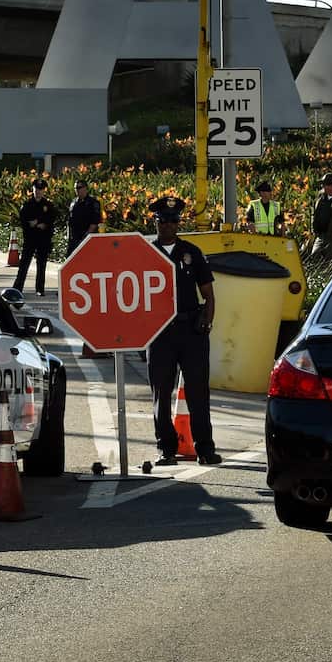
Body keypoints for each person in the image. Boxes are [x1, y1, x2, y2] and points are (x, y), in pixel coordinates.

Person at [146, 196, 221, 466]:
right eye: (163, 221)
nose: (167, 226)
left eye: (173, 221)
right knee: (161, 392)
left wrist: (207, 322)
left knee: (198, 392)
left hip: (191, 330)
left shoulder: (192, 252)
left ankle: (205, 448)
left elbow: (209, 295)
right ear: (155, 222)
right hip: (159, 332)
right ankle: (166, 448)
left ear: (179, 224)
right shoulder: (145, 253)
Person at [13, 178, 57, 297]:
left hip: (43, 239)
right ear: (32, 190)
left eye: (41, 189)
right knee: (24, 264)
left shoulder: (48, 205)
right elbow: (24, 221)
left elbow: (51, 220)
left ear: (44, 191)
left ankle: (40, 289)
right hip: (30, 239)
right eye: (36, 189)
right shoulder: (27, 205)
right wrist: (38, 223)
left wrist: (38, 222)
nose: (38, 191)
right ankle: (17, 288)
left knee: (41, 265)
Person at [66, 179, 102, 254]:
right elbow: (70, 220)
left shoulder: (93, 203)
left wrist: (85, 238)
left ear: (85, 188)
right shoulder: (73, 202)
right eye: (76, 188)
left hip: (87, 237)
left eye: (79, 187)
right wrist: (69, 236)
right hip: (74, 238)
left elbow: (95, 222)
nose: (77, 190)